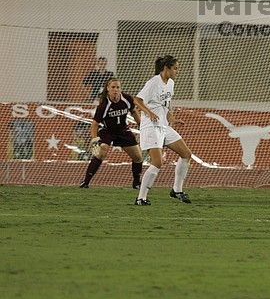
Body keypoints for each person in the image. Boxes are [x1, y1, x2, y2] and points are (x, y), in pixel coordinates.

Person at [133, 55, 193, 205]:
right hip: (151, 127)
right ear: (166, 68)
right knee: (157, 162)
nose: (177, 71)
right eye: (175, 68)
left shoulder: (170, 83)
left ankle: (176, 190)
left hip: (164, 126)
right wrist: (149, 112)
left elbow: (166, 104)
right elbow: (137, 100)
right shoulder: (153, 83)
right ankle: (141, 198)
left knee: (186, 154)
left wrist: (172, 118)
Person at [79, 78, 143, 189]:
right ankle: (86, 182)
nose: (115, 90)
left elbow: (133, 111)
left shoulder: (127, 99)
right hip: (108, 131)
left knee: (138, 157)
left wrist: (141, 126)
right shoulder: (104, 105)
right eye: (113, 87)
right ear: (108, 89)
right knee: (101, 152)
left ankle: (136, 183)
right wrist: (94, 140)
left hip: (123, 130)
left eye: (118, 87)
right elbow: (94, 124)